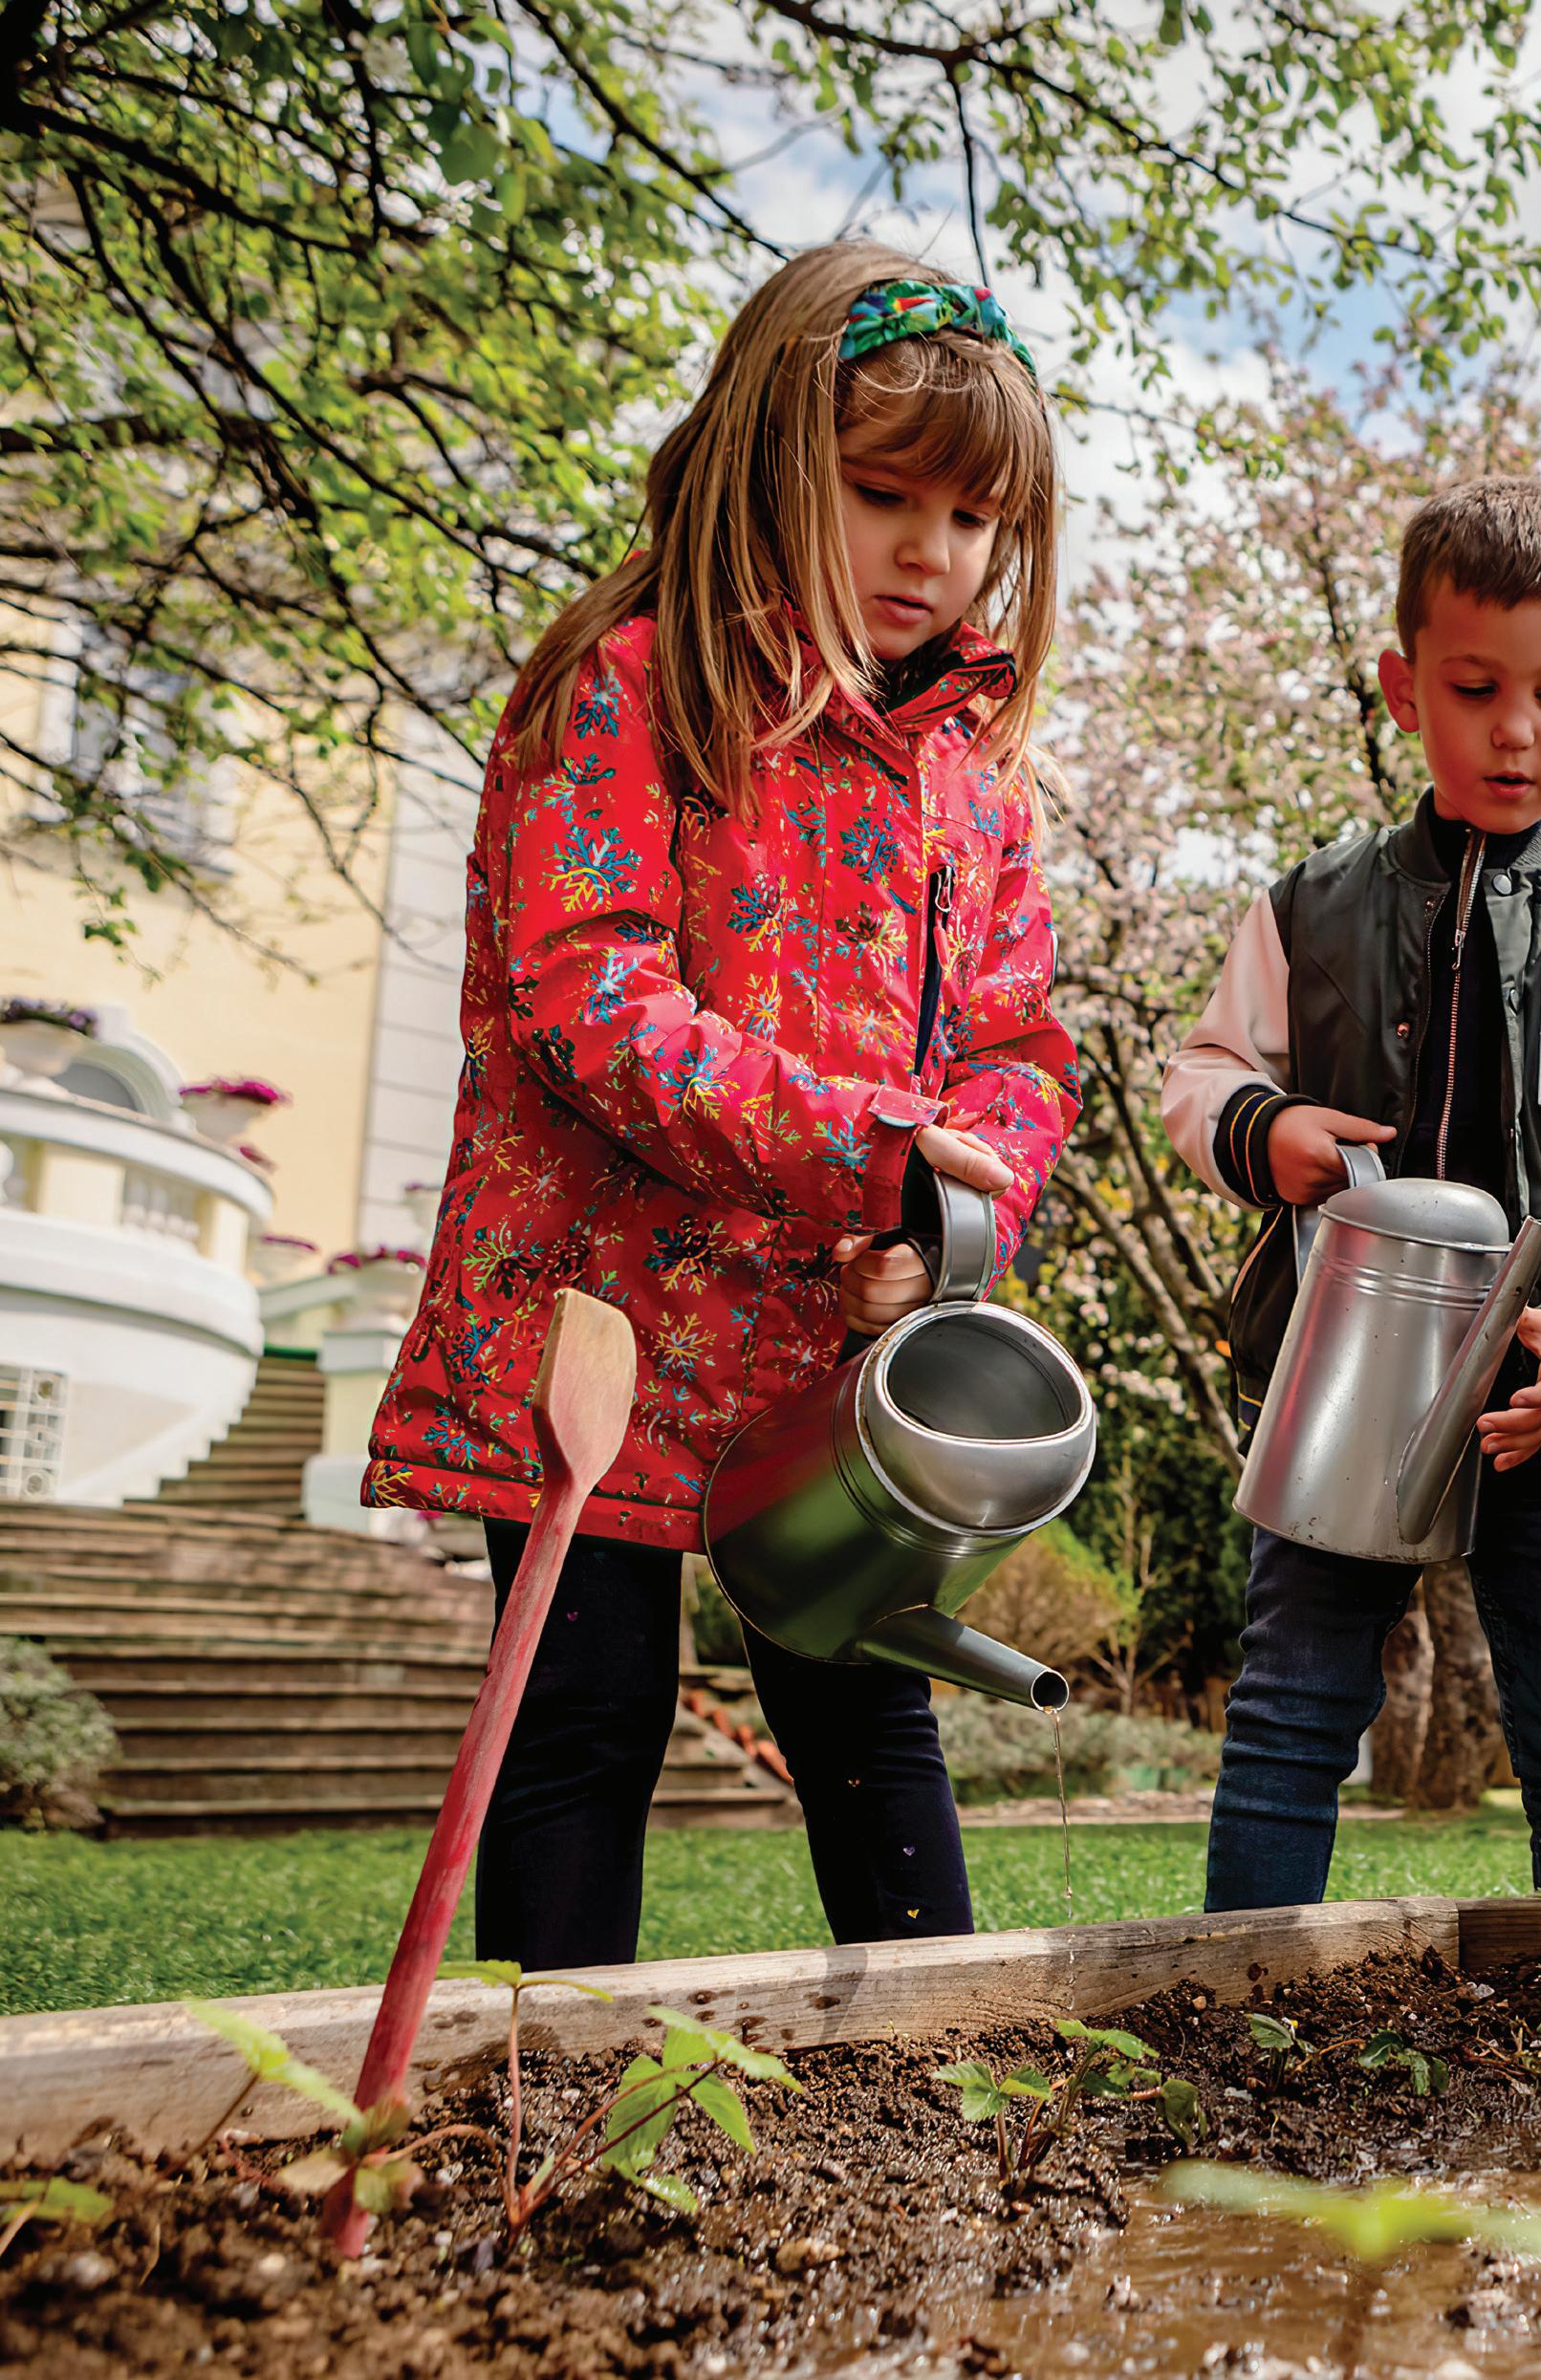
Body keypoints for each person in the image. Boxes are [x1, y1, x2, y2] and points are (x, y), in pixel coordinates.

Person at [363, 245, 1077, 1968]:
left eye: (976, 518)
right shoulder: (629, 688)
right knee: (584, 1716)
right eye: (883, 493)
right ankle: (544, 2086)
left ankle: (943, 2074)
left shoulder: (973, 782)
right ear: (770, 459)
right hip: (595, 1315)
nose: (932, 551)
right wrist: (869, 1150)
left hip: (825, 1354)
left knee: (868, 1716)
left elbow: (1019, 1046)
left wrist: (950, 1211)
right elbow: (587, 995)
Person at [1164, 477, 1541, 1911]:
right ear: (1401, 687)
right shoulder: (1310, 905)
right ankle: (1243, 1992)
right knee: (1292, 1707)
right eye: (1475, 688)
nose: (1514, 728)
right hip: (1339, 1375)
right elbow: (1206, 1070)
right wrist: (1262, 1127)